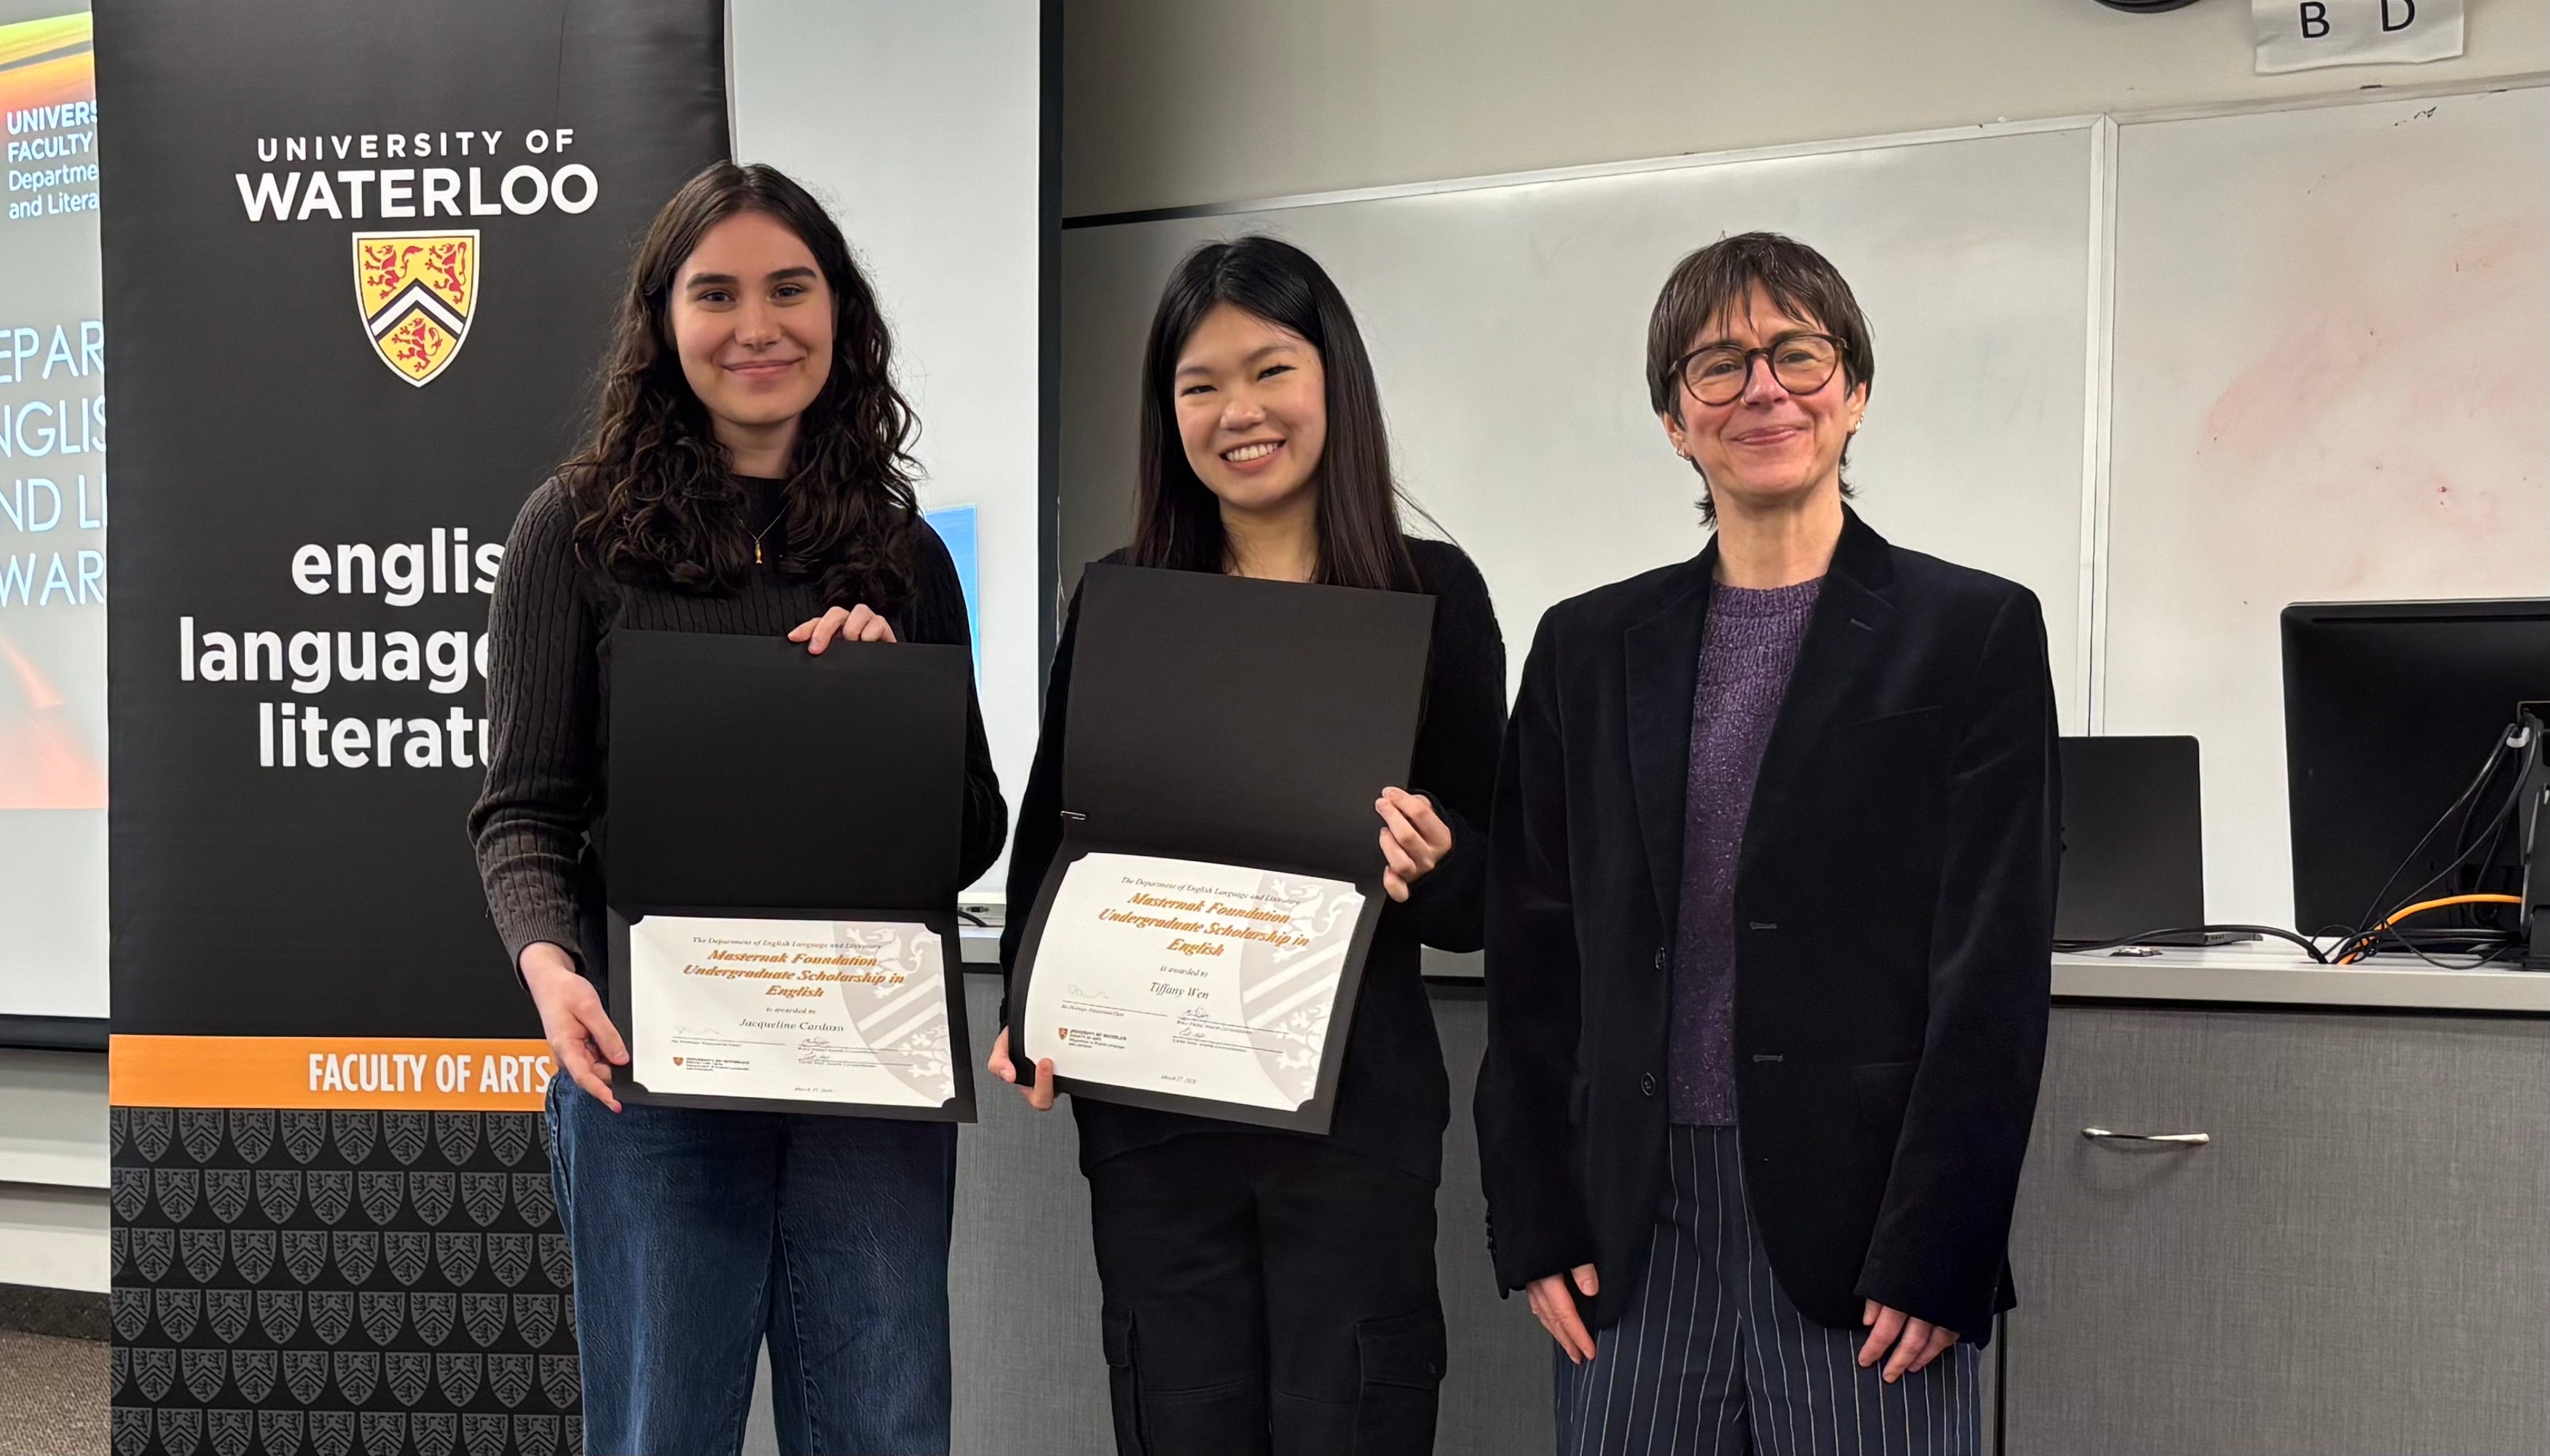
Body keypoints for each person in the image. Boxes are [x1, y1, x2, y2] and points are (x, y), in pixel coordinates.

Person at [1475, 232, 2060, 1456]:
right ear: (1674, 420)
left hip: (1864, 1243)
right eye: (1717, 367)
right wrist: (1535, 1225)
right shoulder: (1585, 647)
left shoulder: (1975, 633)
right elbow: (1534, 962)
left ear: (1853, 392)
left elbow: (1989, 974)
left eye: (1797, 354)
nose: (1762, 390)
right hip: (1634, 1232)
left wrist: (1938, 1246)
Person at [468, 162, 1006, 1456]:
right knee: (661, 1428)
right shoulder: (574, 530)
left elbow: (974, 829)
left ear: (841, 315)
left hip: (864, 1067)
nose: (756, 325)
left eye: (789, 288)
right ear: (663, 323)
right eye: (716, 294)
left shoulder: (904, 553)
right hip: (657, 1069)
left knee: (882, 1423)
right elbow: (521, 812)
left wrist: (889, 722)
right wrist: (551, 969)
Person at [988, 235, 1506, 1456]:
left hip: (1352, 1124)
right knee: (1179, 1421)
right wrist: (1030, 1000)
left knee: (1354, 1420)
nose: (1239, 412)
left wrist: (1438, 862)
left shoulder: (1432, 595)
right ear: (1167, 413)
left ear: (1334, 380)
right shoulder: (1120, 594)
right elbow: (1053, 836)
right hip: (1156, 1125)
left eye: (1269, 369)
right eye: (1199, 384)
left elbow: (1492, 894)